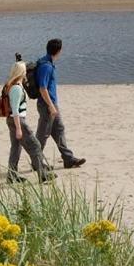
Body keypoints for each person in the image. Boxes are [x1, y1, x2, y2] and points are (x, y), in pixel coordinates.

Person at [36, 38, 86, 169]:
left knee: (59, 129)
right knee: (43, 134)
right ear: (58, 51)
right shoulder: (46, 66)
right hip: (48, 105)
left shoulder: (47, 62)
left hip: (52, 104)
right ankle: (37, 162)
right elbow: (42, 88)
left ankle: (68, 159)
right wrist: (51, 106)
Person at [3, 61, 55, 183]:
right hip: (18, 121)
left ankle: (12, 176)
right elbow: (15, 110)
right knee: (35, 146)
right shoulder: (16, 88)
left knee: (16, 148)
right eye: (25, 70)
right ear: (22, 72)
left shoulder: (13, 85)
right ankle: (42, 175)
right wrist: (19, 128)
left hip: (13, 120)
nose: (27, 72)